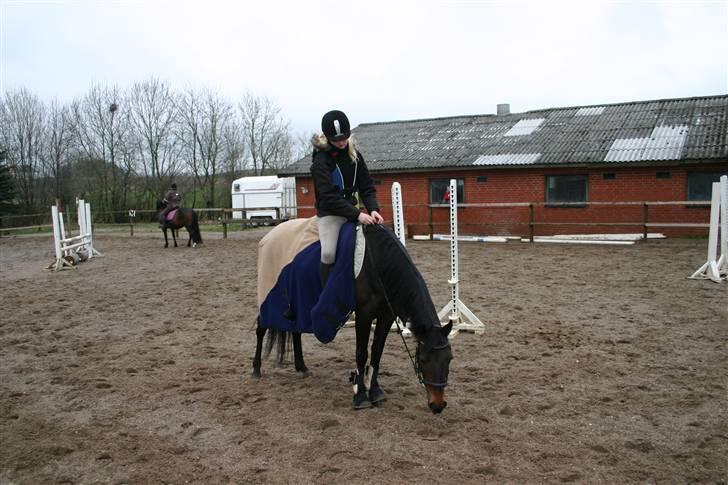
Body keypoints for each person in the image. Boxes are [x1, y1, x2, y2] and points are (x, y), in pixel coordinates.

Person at [311, 110, 384, 286]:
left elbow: (366, 186)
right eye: (337, 140)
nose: (342, 142)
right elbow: (328, 197)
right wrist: (357, 215)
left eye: (344, 137)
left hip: (353, 211)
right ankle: (327, 294)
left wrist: (373, 209)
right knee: (328, 253)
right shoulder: (320, 161)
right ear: (328, 138)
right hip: (330, 214)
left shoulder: (355, 156)